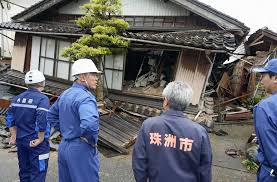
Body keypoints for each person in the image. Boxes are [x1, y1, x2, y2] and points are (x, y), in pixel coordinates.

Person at [132, 81, 212, 182]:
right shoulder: (199, 133)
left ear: (166, 101)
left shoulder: (149, 125)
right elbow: (205, 169)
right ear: (187, 104)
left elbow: (139, 162)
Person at [47, 58, 101, 182]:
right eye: (93, 74)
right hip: (81, 147)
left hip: (64, 146)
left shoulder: (66, 93)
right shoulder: (86, 97)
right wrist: (91, 140)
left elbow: (51, 115)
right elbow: (89, 125)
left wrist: (66, 131)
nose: (96, 78)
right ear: (82, 77)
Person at [5, 70, 50, 182]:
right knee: (38, 172)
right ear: (42, 82)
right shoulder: (42, 99)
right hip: (37, 143)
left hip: (21, 141)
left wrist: (14, 134)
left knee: (24, 171)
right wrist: (40, 138)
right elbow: (41, 119)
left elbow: (10, 117)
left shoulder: (17, 98)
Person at [253, 58, 277, 182]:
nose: (261, 80)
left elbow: (272, 152)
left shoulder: (265, 108)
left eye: (264, 75)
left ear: (275, 78)